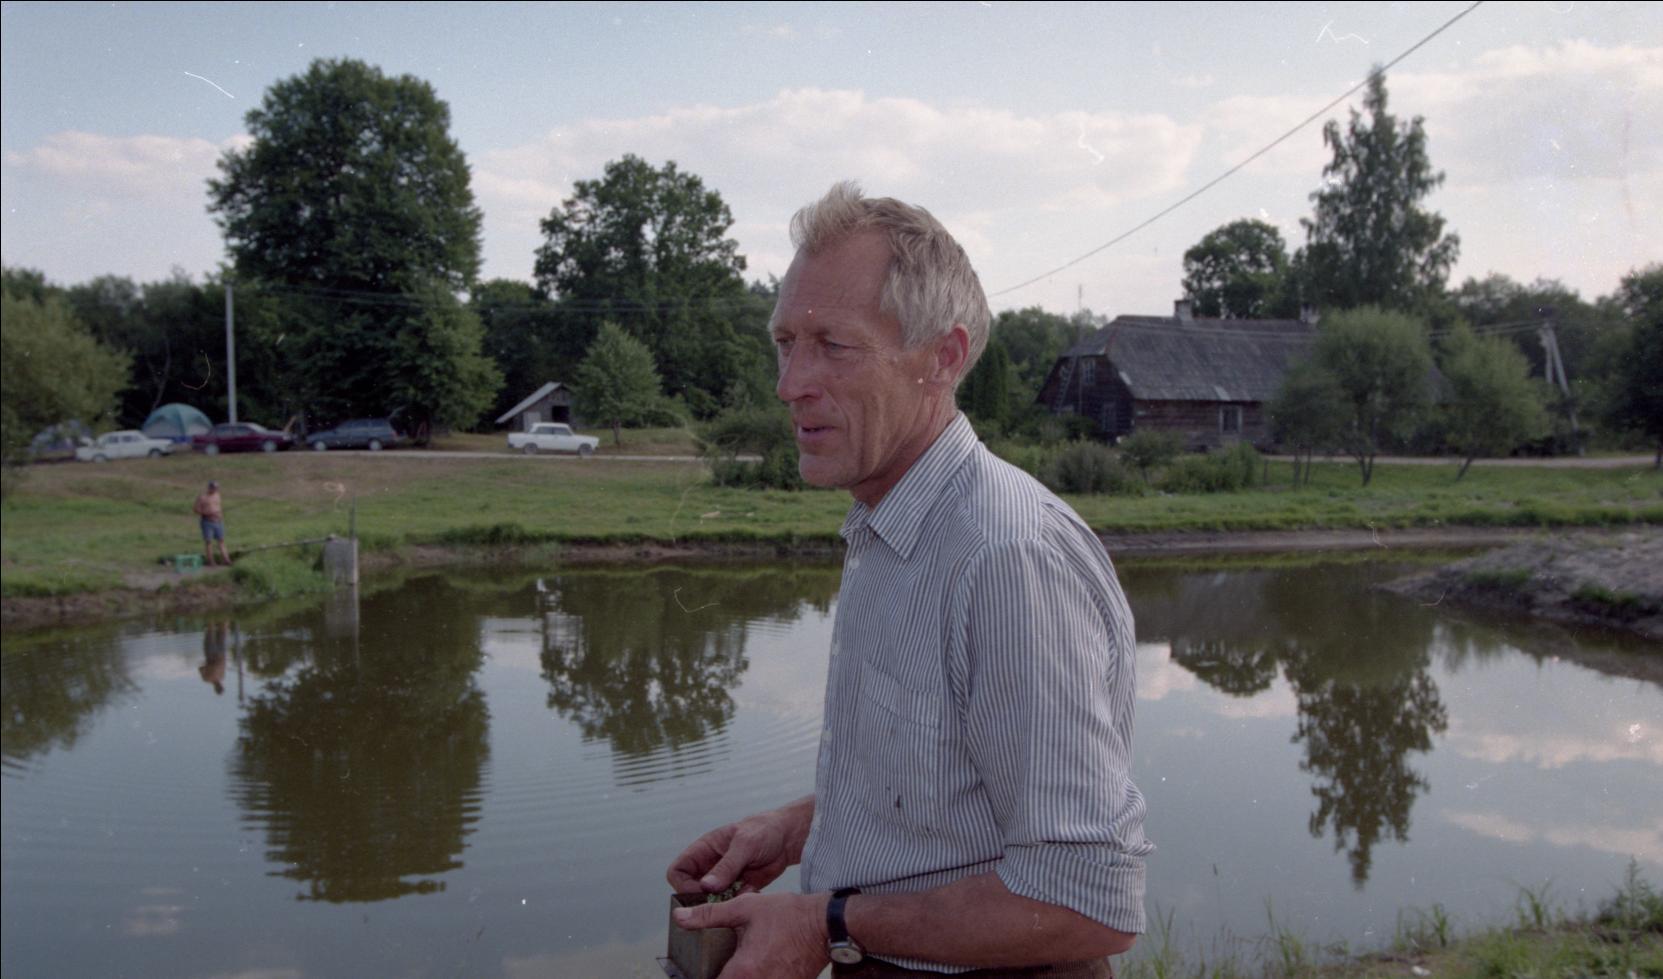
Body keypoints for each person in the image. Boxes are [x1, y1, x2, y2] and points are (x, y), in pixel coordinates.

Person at [666, 183, 1151, 978]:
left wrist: (825, 925)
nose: (790, 383)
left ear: (941, 357)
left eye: (833, 345)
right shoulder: (886, 524)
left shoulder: (1006, 557)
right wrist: (802, 829)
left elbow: (1084, 899)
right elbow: (955, 790)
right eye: (785, 342)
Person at [193, 480, 231, 566]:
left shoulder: (218, 495)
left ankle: (226, 560)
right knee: (208, 542)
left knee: (221, 540)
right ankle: (211, 561)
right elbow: (195, 509)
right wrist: (206, 513)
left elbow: (218, 506)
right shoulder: (202, 497)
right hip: (207, 522)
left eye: (217, 488)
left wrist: (219, 514)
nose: (215, 490)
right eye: (213, 488)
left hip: (218, 521)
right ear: (209, 488)